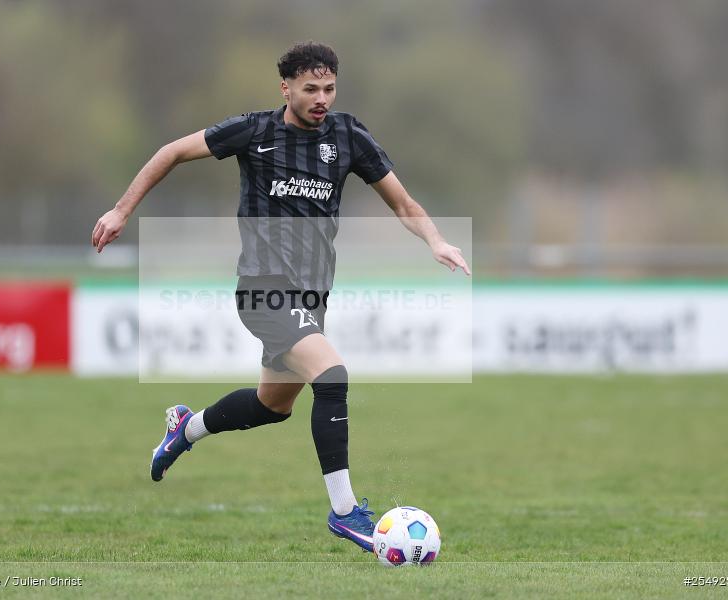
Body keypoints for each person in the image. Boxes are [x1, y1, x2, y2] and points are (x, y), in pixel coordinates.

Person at [91, 41, 471, 553]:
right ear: (285, 87)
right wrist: (120, 211)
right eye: (310, 88)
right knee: (332, 376)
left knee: (272, 406)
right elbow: (173, 152)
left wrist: (436, 240)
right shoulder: (255, 131)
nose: (321, 98)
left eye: (329, 88)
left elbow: (402, 202)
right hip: (262, 288)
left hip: (311, 297)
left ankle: (187, 427)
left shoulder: (348, 135)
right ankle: (345, 513)